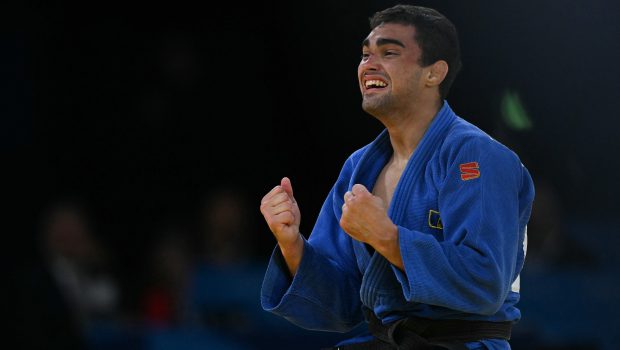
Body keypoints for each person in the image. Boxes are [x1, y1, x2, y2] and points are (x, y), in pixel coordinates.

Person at [259, 4, 535, 350]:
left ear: (433, 74)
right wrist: (291, 243)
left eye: (388, 52)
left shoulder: (476, 156)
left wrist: (387, 237)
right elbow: (341, 306)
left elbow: (484, 284)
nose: (368, 64)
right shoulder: (360, 168)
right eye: (364, 55)